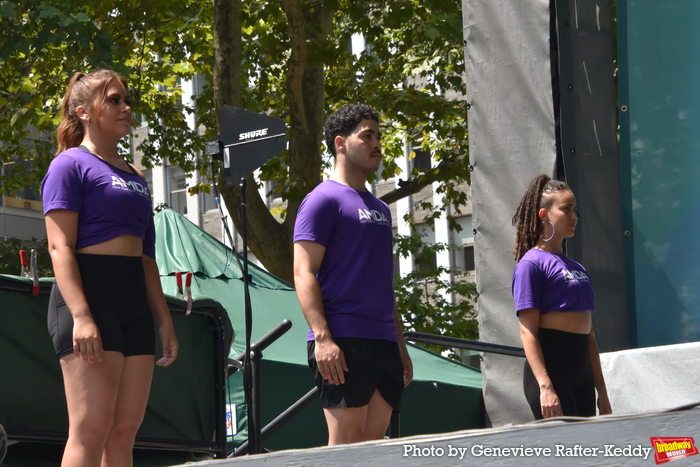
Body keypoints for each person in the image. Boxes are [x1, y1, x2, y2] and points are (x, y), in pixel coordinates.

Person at [41, 69, 178, 467]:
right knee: (90, 430)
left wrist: (163, 317)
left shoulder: (137, 175)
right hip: (89, 296)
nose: (125, 108)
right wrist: (82, 316)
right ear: (83, 111)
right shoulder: (69, 165)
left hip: (133, 299)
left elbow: (147, 256)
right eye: (114, 100)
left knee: (123, 434)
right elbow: (58, 244)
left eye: (126, 100)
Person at [293, 104, 413, 445]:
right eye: (367, 135)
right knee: (345, 447)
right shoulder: (321, 200)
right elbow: (303, 272)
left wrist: (401, 346)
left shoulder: (379, 208)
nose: (377, 143)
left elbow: (382, 282)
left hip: (384, 341)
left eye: (379, 135)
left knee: (373, 446)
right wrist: (323, 338)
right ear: (340, 143)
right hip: (343, 338)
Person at [511, 174, 612, 420]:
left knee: (587, 454)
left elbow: (589, 334)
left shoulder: (578, 267)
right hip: (552, 373)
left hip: (582, 373)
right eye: (566, 209)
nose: (574, 216)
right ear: (544, 214)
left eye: (575, 210)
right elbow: (527, 332)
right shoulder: (531, 264)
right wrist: (545, 386)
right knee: (563, 454)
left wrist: (603, 391)